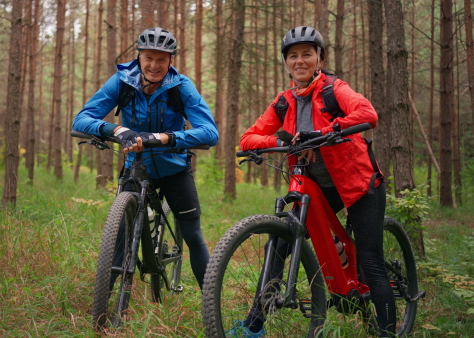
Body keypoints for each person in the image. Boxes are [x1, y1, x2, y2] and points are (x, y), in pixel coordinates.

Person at [235, 26, 394, 337]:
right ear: (286, 63)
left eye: (307, 54)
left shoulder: (335, 90)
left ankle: (389, 331)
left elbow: (367, 113)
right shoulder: (284, 100)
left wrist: (326, 131)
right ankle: (255, 325)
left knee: (371, 262)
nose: (300, 61)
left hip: (359, 184)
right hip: (316, 189)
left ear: (319, 58)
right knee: (279, 242)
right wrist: (280, 139)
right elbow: (248, 138)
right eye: (293, 56)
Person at [72, 27, 218, 290]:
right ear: (139, 57)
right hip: (135, 167)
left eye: (162, 59)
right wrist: (117, 129)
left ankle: (212, 305)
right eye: (149, 57)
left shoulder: (181, 86)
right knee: (120, 238)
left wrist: (166, 137)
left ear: (170, 61)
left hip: (174, 168)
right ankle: (104, 305)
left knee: (193, 235)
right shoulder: (121, 82)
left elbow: (209, 132)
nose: (154, 65)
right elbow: (82, 119)